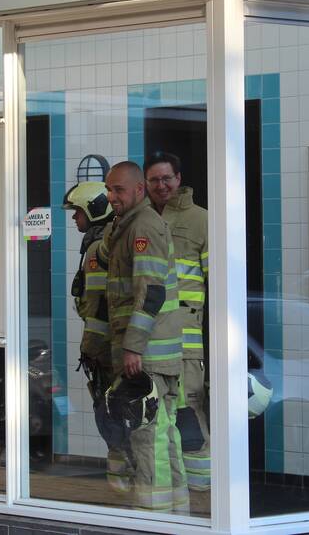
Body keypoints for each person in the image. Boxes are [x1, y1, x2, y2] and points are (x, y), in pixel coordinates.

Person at [102, 161, 189, 514]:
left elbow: (150, 293)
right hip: (150, 354)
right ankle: (176, 513)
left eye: (118, 190)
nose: (111, 196)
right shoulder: (129, 225)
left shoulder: (143, 227)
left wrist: (133, 347)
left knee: (147, 439)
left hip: (147, 355)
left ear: (139, 189)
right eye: (108, 189)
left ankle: (154, 517)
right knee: (163, 436)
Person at [144, 151, 210, 493]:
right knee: (157, 414)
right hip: (146, 339)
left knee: (190, 409)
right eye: (154, 180)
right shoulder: (139, 221)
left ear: (179, 179)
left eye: (167, 178)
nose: (161, 186)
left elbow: (220, 284)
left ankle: (204, 491)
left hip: (186, 339)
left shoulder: (201, 220)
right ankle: (174, 485)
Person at [61, 181, 132, 494]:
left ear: (93, 210)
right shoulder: (103, 242)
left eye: (78, 212)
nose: (74, 219)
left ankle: (121, 487)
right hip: (116, 348)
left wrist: (90, 350)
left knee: (111, 417)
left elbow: (98, 307)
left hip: (106, 353)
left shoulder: (96, 249)